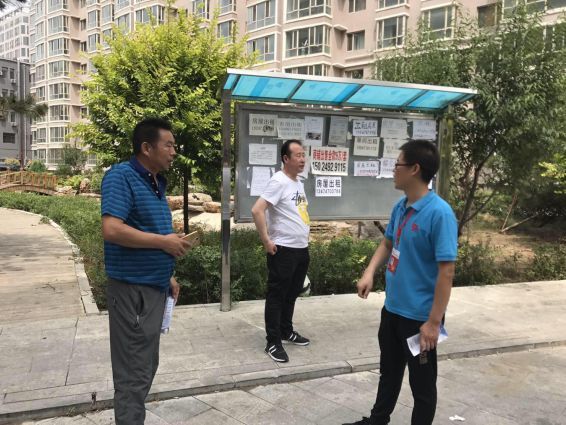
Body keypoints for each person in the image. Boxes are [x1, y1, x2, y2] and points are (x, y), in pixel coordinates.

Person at [345, 140, 458, 425]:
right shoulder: (401, 206)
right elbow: (388, 243)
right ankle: (378, 420)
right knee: (389, 371)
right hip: (393, 309)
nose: (394, 170)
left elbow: (446, 272)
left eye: (398, 164)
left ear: (414, 169)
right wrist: (369, 271)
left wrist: (433, 323)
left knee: (422, 385)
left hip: (420, 318)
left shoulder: (440, 214)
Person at [101, 118, 190, 424]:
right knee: (133, 374)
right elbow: (112, 229)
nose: (174, 152)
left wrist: (167, 274)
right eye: (169, 145)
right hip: (132, 290)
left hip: (153, 288)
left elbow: (150, 231)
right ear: (147, 148)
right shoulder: (121, 177)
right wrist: (165, 243)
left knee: (146, 365)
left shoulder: (155, 183)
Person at [251, 139, 311, 363]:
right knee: (277, 296)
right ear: (286, 159)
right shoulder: (278, 181)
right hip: (283, 249)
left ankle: (286, 331)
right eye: (297, 155)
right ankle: (273, 342)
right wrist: (266, 240)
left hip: (300, 248)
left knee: (292, 293)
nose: (302, 159)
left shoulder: (297, 182)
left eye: (303, 155)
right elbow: (257, 210)